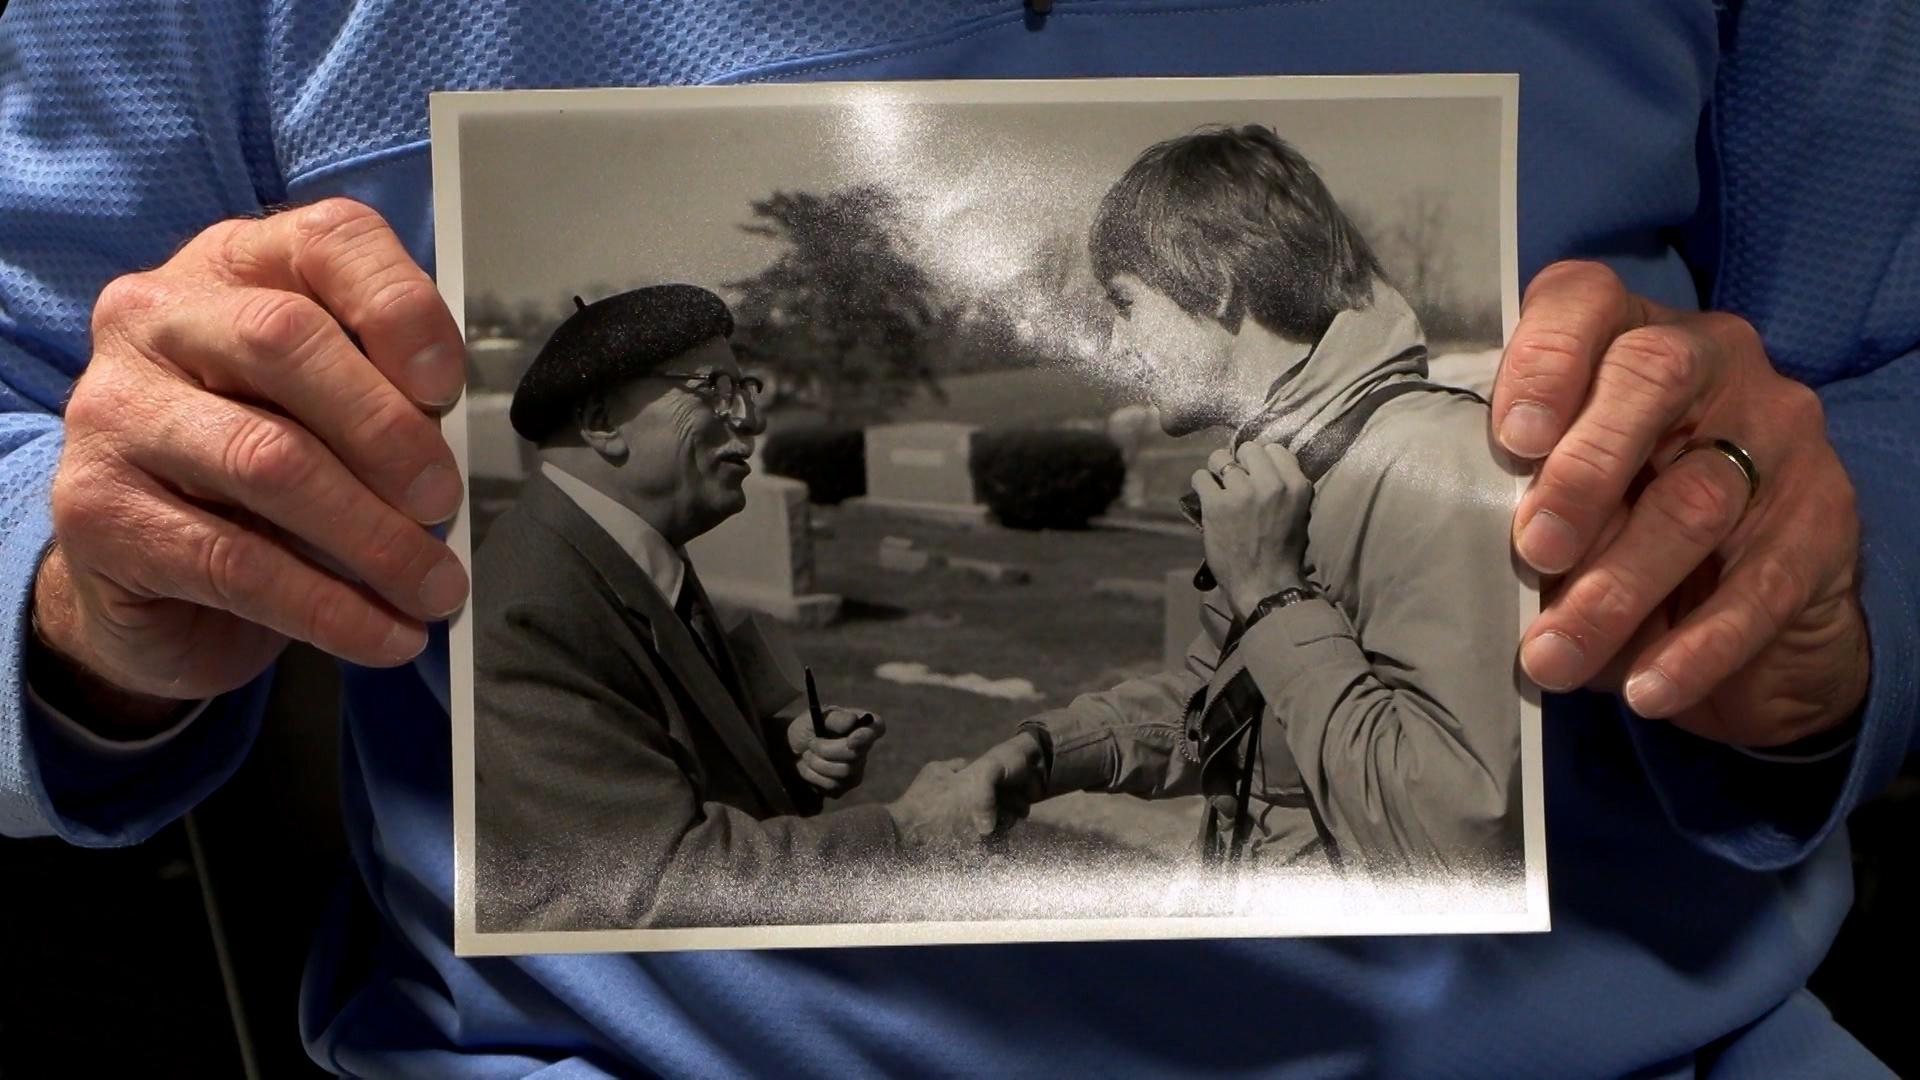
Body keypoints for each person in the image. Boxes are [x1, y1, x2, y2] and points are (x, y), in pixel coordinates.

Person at [1, 1, 1913, 1075]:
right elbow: (27, 412)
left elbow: (1877, 386)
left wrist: (1813, 606)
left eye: (1130, 320)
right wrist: (83, 593)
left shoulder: (1361, 464)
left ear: (1219, 284)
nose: (1113, 368)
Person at [965, 126, 1523, 880]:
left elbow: (1460, 840)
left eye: (1126, 303)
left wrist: (1269, 594)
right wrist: (1053, 750)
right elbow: (1237, 705)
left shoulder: (1429, 465)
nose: (1118, 343)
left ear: (1217, 281)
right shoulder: (1291, 461)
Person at [471, 285, 983, 932]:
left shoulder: (625, 555)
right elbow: (660, 882)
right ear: (602, 421)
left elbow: (647, 747)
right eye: (713, 388)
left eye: (746, 388)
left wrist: (776, 753)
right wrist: (904, 832)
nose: (750, 420)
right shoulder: (532, 611)